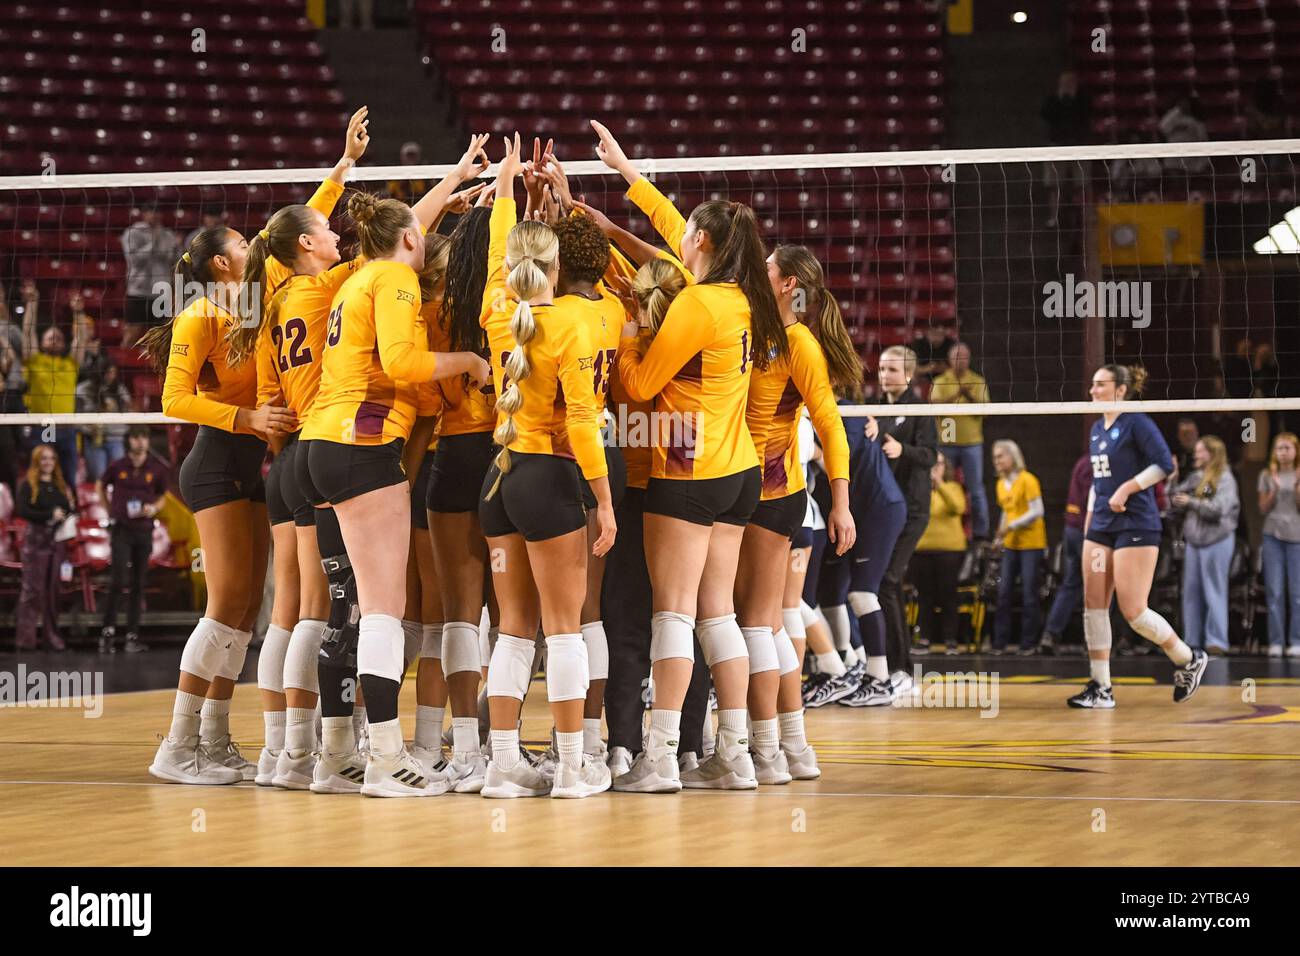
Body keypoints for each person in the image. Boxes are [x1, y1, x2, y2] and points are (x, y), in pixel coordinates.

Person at [595, 119, 786, 793]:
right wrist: (625, 173)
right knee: (718, 617)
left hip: (688, 471)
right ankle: (734, 756)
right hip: (739, 475)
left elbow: (641, 386)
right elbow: (679, 235)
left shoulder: (699, 302)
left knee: (671, 615)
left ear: (700, 243)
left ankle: (659, 757)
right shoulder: (744, 298)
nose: (677, 240)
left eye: (687, 235)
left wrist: (623, 339)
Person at [476, 134, 616, 799]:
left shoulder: (498, 312)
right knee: (564, 634)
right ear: (559, 268)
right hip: (550, 479)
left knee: (512, 634)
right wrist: (606, 503)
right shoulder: (577, 325)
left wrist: (507, 187)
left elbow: (501, 248)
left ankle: (502, 768)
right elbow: (585, 425)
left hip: (498, 479)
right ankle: (570, 770)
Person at [735, 243, 855, 781]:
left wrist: (842, 504)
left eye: (767, 268)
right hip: (749, 487)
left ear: (787, 285)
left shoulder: (799, 342)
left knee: (757, 624)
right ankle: (791, 747)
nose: (758, 273)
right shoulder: (760, 329)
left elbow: (830, 425)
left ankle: (769, 750)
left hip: (772, 492)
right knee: (769, 622)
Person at [1070, 363, 1208, 709]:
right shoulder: (1097, 429)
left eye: (1100, 385)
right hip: (1101, 524)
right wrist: (1090, 521)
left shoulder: (1137, 422)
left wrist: (1128, 489)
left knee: (1133, 610)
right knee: (1094, 606)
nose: (1092, 391)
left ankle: (1187, 658)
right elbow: (1098, 482)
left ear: (1120, 389)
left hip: (1136, 523)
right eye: (1092, 384)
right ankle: (1101, 687)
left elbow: (1164, 463)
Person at [874, 345, 938, 693]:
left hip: (912, 509)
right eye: (882, 369)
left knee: (887, 579)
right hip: (884, 508)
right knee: (885, 583)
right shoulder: (876, 409)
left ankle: (901, 669)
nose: (885, 375)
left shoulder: (919, 409)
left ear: (909, 374)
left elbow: (931, 455)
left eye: (893, 370)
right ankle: (886, 667)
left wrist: (904, 451)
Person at [96, 426, 166, 654]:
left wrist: (153, 508)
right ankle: (107, 633)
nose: (140, 442)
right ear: (130, 441)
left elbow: (163, 495)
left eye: (144, 437)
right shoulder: (118, 466)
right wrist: (110, 511)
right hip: (121, 530)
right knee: (117, 582)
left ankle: (132, 636)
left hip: (143, 530)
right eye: (136, 437)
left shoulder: (155, 468)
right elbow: (100, 485)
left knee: (138, 584)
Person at [1170, 435, 1239, 656]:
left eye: (1200, 451)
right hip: (1194, 542)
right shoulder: (1195, 477)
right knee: (1191, 593)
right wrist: (1172, 479)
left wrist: (1192, 503)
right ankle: (1192, 640)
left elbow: (1220, 508)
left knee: (1214, 589)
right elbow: (1173, 500)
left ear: (1212, 454)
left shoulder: (1226, 479)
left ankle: (1216, 640)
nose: (1196, 455)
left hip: (1217, 540)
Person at [21, 279, 86, 487]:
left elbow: (81, 340)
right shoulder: (34, 360)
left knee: (69, 476)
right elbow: (28, 332)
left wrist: (78, 313)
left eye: (59, 337)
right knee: (39, 476)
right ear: (42, 343)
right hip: (42, 426)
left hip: (67, 428)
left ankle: (70, 509)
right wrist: (32, 304)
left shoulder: (70, 363)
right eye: (50, 337)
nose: (55, 340)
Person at [990, 439, 1048, 655]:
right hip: (1011, 544)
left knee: (1029, 594)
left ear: (1012, 456)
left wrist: (1012, 526)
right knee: (1004, 592)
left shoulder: (1028, 480)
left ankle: (1028, 643)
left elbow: (1037, 511)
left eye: (1000, 456)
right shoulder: (1000, 484)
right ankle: (1000, 643)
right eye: (995, 457)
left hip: (1031, 544)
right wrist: (999, 535)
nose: (997, 461)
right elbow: (1006, 511)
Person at [929, 341, 991, 540]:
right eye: (956, 356)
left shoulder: (977, 381)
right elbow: (934, 406)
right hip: (947, 442)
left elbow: (986, 410)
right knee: (944, 486)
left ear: (969, 359)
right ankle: (948, 527)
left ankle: (981, 533)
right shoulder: (941, 381)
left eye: (964, 357)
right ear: (949, 359)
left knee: (976, 490)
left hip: (971, 442)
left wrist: (969, 395)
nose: (960, 361)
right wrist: (959, 393)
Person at [14, 444, 73, 652]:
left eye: (51, 458)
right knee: (32, 591)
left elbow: (68, 507)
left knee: (52, 592)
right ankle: (25, 639)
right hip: (36, 542)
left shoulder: (59, 485)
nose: (48, 462)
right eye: (44, 459)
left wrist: (63, 516)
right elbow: (22, 510)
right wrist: (49, 515)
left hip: (55, 541)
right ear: (37, 461)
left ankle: (52, 638)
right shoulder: (27, 485)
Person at [910, 453, 967, 655]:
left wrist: (939, 484)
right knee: (924, 597)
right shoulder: (918, 488)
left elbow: (958, 507)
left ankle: (951, 640)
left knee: (947, 596)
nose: (934, 467)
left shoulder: (953, 488)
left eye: (939, 463)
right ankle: (925, 639)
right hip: (922, 550)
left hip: (949, 551)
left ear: (945, 466)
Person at [1041, 453, 1092, 652]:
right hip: (1086, 530)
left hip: (1072, 528)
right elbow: (1092, 499)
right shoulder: (1095, 464)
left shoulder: (1082, 462)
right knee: (1099, 586)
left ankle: (1051, 633)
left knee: (1072, 583)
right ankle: (1096, 639)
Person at [1259, 432, 1300, 658]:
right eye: (1279, 448)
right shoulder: (1267, 474)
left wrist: (1295, 486)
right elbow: (1263, 508)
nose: (1282, 452)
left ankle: (1296, 640)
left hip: (1296, 537)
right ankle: (1276, 641)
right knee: (1274, 591)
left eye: (1287, 448)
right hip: (1272, 535)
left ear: (1295, 451)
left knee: (1297, 593)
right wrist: (1274, 487)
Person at [121, 202, 182, 344]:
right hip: (138, 291)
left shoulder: (168, 235)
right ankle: (120, 364)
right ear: (144, 214)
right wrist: (153, 241)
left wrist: (177, 247)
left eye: (157, 212)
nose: (154, 215)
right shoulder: (133, 233)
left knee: (161, 336)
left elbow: (175, 261)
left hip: (161, 292)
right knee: (132, 332)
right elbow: (134, 259)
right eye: (150, 211)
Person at [1040, 70, 1092, 227]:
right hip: (1057, 146)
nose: (1067, 85)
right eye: (1064, 82)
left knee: (1082, 184)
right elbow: (1046, 115)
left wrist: (1073, 98)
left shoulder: (1083, 99)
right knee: (1053, 184)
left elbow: (1087, 115)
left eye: (1070, 82)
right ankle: (1054, 217)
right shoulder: (1052, 100)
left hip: (1080, 146)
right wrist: (1062, 98)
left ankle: (1086, 216)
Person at [76, 359, 134, 482]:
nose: (111, 376)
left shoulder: (119, 388)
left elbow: (130, 409)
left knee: (119, 476)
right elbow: (76, 416)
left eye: (114, 372)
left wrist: (129, 406)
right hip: (94, 439)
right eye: (108, 372)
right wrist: (87, 427)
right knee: (99, 476)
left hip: (116, 437)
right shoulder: (83, 390)